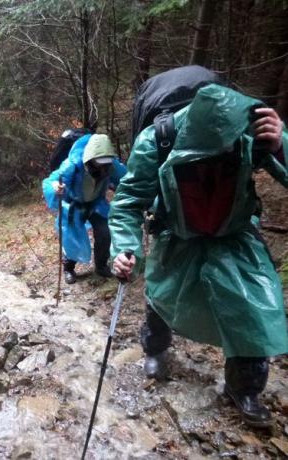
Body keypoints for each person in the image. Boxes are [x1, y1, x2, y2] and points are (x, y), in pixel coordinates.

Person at [110, 83, 288, 428]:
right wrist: (125, 248)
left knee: (253, 308)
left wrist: (281, 146)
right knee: (161, 299)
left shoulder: (251, 132)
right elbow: (129, 200)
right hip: (177, 234)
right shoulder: (157, 140)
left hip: (234, 234)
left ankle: (245, 388)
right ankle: (156, 349)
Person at [43, 133, 126, 282]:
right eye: (99, 162)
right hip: (74, 205)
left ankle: (101, 266)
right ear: (89, 158)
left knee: (104, 232)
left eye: (106, 163)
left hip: (97, 204)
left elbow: (126, 179)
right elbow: (53, 180)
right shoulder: (73, 164)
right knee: (70, 235)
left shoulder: (112, 165)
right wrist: (56, 186)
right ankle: (69, 268)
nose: (102, 166)